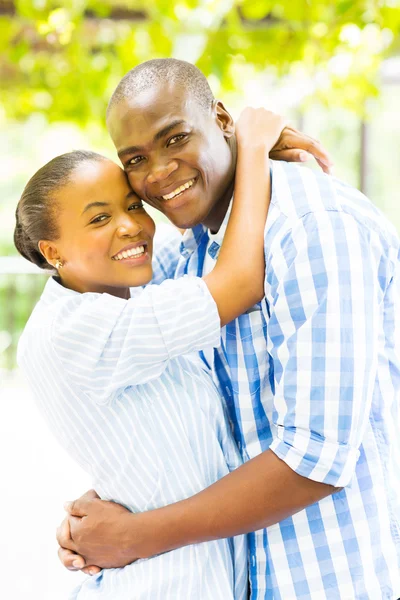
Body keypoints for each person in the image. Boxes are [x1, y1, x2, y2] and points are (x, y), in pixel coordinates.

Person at [56, 59, 400, 599]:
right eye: (136, 160)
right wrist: (97, 521)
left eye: (175, 138)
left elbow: (316, 458)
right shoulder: (183, 260)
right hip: (240, 578)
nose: (160, 171)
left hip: (329, 579)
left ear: (221, 119)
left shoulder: (314, 229)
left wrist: (133, 537)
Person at [16, 109, 289, 598]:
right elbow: (240, 282)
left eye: (133, 206)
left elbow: (198, 241)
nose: (130, 227)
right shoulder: (77, 328)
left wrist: (217, 157)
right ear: (53, 253)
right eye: (100, 218)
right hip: (161, 583)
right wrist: (251, 149)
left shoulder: (125, 296)